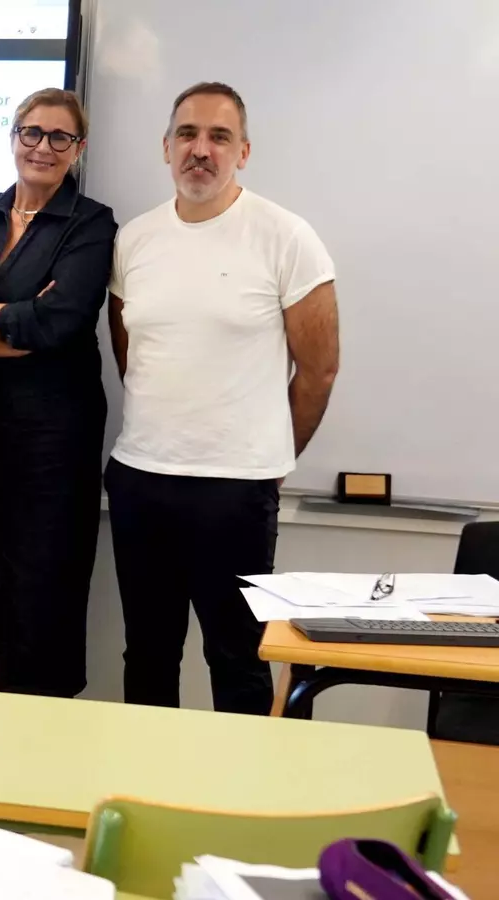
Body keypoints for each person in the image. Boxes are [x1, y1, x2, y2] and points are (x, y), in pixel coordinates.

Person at [107, 82, 339, 715]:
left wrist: (269, 455)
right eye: (187, 134)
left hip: (236, 491)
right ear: (166, 147)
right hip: (140, 479)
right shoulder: (135, 240)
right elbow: (131, 354)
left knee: (237, 657)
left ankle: (241, 781)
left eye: (219, 136)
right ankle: (146, 775)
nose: (201, 150)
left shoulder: (285, 237)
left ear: (244, 151)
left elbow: (319, 371)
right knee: (147, 653)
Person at [0, 89, 117, 699]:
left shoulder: (91, 223)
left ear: (78, 148)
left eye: (60, 137)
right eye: (31, 132)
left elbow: (55, 323)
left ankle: (37, 734)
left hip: (52, 441)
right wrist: (9, 321)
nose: (43, 147)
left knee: (41, 584)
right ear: (13, 137)